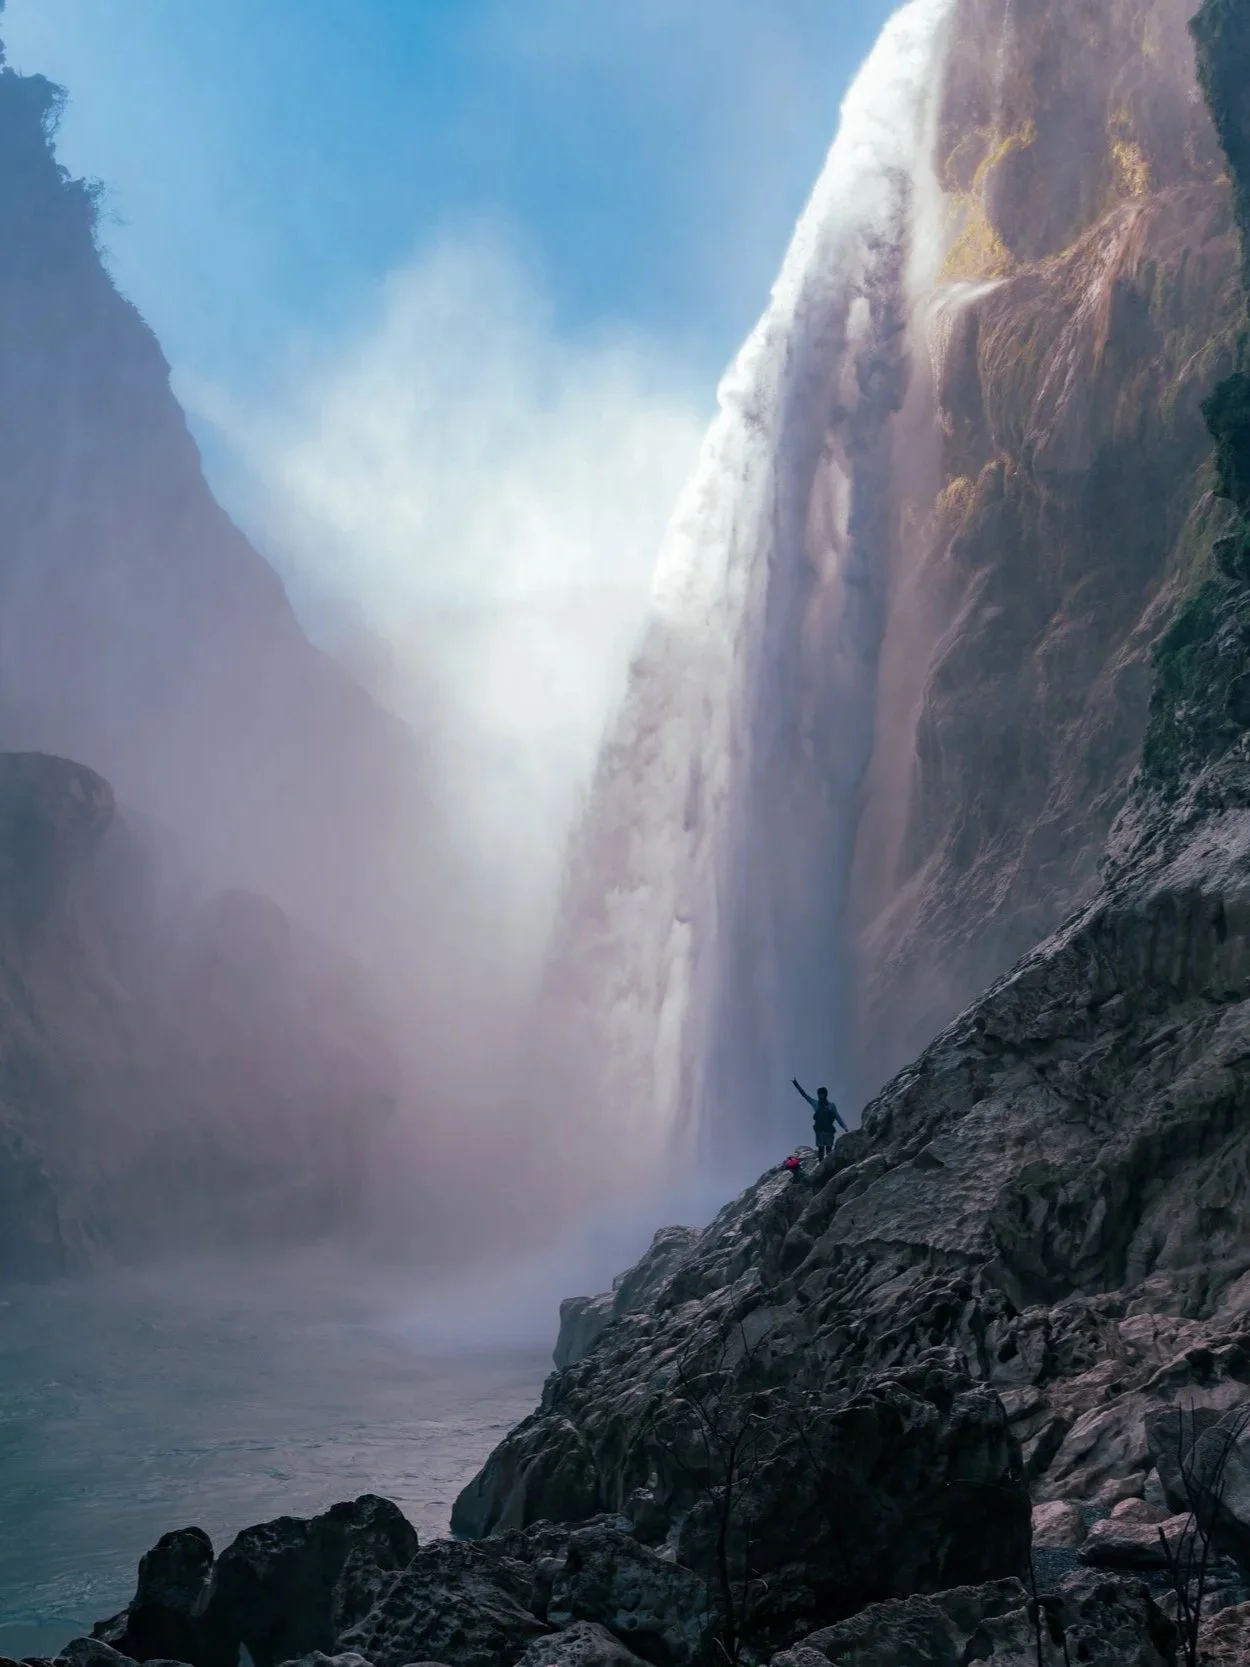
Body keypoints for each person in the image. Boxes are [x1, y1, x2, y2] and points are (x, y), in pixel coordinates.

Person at [792, 1079, 846, 1160]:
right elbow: (805, 1095)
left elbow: (837, 1117)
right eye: (819, 1094)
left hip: (828, 1131)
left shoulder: (831, 1106)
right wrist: (796, 1085)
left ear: (825, 1094)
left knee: (829, 1151)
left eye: (822, 1094)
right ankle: (822, 1167)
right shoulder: (815, 1103)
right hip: (820, 1131)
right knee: (821, 1151)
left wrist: (844, 1126)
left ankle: (830, 1169)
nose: (820, 1096)